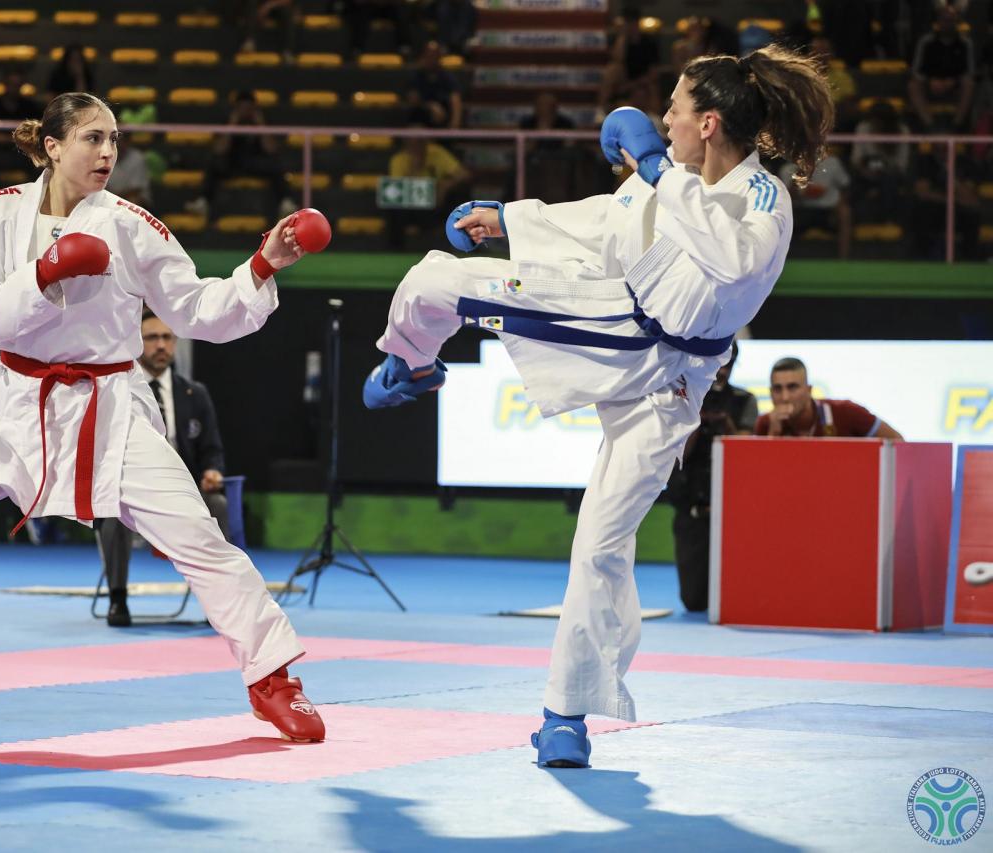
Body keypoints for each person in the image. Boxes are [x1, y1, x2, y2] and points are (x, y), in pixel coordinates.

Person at [0, 92, 326, 744]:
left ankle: (273, 677)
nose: (108, 152)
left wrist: (262, 264)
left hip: (109, 410)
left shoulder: (132, 225)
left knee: (201, 542)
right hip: (9, 401)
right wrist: (44, 274)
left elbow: (195, 310)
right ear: (52, 146)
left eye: (114, 140)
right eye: (92, 139)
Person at [362, 44, 833, 768]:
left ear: (708, 123)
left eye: (675, 107)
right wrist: (510, 219)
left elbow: (729, 258)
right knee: (433, 281)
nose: (665, 118)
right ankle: (414, 365)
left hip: (668, 379)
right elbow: (606, 220)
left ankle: (565, 713)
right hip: (610, 316)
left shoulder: (761, 200)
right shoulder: (667, 177)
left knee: (600, 542)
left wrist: (652, 171)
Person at [97, 310, 233, 627]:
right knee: (111, 511)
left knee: (218, 504)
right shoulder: (116, 392)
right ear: (135, 343)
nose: (161, 345)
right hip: (129, 488)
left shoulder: (195, 394)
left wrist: (213, 472)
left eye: (167, 338)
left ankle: (222, 603)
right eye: (152, 338)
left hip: (183, 491)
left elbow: (212, 449)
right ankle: (118, 598)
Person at [663, 342, 756, 613]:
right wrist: (696, 420)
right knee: (694, 600)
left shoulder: (743, 400)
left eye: (728, 364)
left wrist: (727, 427)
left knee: (738, 598)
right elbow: (676, 453)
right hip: (691, 508)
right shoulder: (683, 396)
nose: (722, 371)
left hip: (733, 512)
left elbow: (748, 452)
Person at [186, 90, 294, 220]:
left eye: (249, 108)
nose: (245, 111)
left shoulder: (263, 122)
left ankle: (285, 202)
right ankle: (203, 202)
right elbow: (219, 149)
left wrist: (261, 125)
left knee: (276, 164)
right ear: (236, 109)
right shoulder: (228, 121)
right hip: (233, 163)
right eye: (242, 108)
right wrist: (232, 125)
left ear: (254, 108)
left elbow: (271, 149)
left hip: (256, 162)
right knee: (214, 162)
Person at [756, 357, 903, 438]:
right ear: (770, 393)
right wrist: (773, 434)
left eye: (792, 387)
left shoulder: (846, 412)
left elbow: (897, 443)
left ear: (809, 390)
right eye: (777, 389)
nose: (785, 397)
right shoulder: (765, 424)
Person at [908, 5, 975, 130]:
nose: (948, 23)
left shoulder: (965, 43)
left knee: (969, 84)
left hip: (955, 87)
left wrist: (953, 82)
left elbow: (970, 72)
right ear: (938, 22)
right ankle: (930, 126)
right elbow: (916, 71)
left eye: (951, 20)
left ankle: (956, 125)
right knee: (913, 85)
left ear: (957, 22)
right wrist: (930, 81)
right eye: (945, 20)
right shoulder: (926, 42)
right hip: (930, 86)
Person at [780, 152, 852, 259]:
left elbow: (846, 187)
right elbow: (787, 198)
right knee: (781, 214)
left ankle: (844, 260)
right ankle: (782, 260)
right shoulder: (788, 169)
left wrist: (840, 202)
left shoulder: (832, 163)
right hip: (801, 211)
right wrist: (799, 176)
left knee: (845, 212)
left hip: (828, 211)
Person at [407, 40, 463, 130]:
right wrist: (431, 106)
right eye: (428, 56)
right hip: (421, 119)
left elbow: (455, 99)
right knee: (415, 131)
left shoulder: (447, 77)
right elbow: (413, 100)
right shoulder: (416, 76)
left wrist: (454, 124)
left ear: (439, 58)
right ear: (423, 57)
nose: (431, 60)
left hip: (442, 120)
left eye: (434, 56)